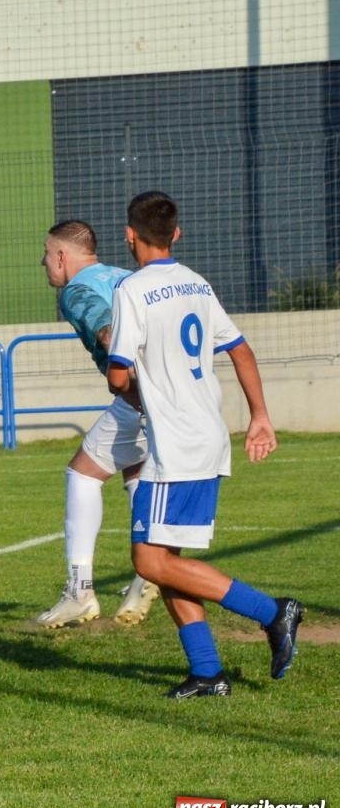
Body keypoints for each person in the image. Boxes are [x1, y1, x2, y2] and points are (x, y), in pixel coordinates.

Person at [106, 192, 301, 698]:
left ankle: (272, 612)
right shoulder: (197, 282)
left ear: (130, 236)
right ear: (177, 234)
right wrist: (260, 416)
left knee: (148, 561)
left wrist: (120, 367)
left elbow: (118, 374)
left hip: (177, 445)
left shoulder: (131, 289)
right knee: (167, 560)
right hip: (202, 434)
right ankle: (207, 672)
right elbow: (239, 348)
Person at [36, 219, 158, 628]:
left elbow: (109, 335)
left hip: (141, 396)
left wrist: (140, 393)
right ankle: (144, 575)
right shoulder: (127, 276)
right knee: (135, 469)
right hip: (172, 395)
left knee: (82, 474)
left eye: (45, 256)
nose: (43, 264)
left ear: (61, 256)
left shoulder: (77, 290)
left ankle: (80, 590)